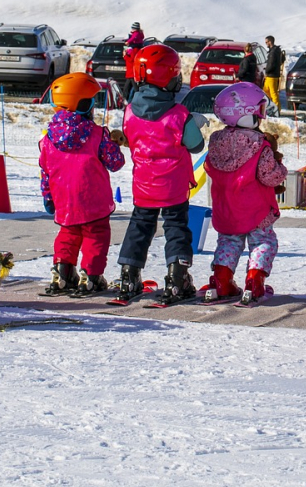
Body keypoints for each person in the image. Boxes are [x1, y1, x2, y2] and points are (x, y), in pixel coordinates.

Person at [116, 45, 208, 305]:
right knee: (176, 228)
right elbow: (196, 146)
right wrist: (193, 123)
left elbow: (133, 139)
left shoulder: (129, 111)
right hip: (173, 185)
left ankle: (128, 274)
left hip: (144, 183)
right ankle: (177, 277)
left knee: (139, 227)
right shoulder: (178, 114)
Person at [39, 73, 126, 297]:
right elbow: (116, 164)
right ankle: (91, 274)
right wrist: (114, 143)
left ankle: (63, 271)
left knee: (68, 235)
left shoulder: (48, 139)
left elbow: (45, 171)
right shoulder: (97, 135)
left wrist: (48, 197)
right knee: (96, 236)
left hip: (64, 201)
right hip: (94, 201)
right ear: (84, 105)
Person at [205, 82, 288, 305]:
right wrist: (280, 167)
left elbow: (209, 167)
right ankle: (255, 280)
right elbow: (270, 176)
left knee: (229, 241)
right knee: (263, 241)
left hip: (226, 208)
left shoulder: (216, 142)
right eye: (259, 111)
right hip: (256, 209)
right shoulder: (259, 145)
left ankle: (222, 280)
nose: (261, 118)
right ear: (245, 115)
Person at [262, 35, 286, 109]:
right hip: (273, 75)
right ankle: (268, 108)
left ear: (270, 42)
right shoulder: (277, 50)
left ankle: (277, 109)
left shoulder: (273, 52)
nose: (266, 44)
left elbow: (271, 64)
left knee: (273, 93)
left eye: (266, 42)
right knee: (266, 93)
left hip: (271, 76)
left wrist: (266, 71)